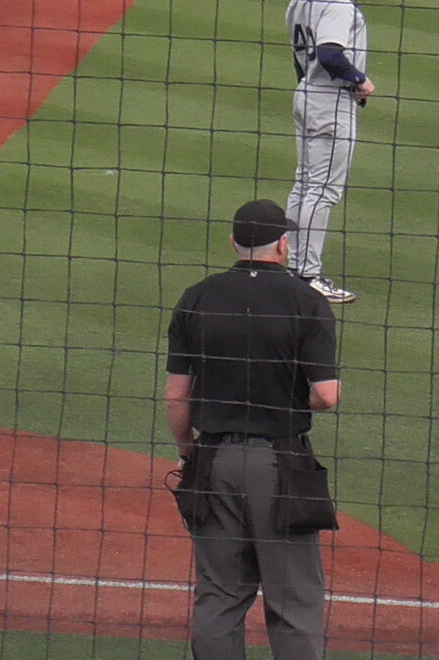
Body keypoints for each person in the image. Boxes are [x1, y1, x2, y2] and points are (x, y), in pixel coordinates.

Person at [165, 199, 342, 659]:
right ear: (283, 245)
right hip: (280, 468)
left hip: (215, 461)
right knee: (294, 602)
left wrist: (189, 455)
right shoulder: (308, 301)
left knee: (219, 596)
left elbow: (177, 395)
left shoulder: (197, 297)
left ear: (234, 243)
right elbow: (326, 395)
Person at [285, 0, 375, 303]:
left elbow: (301, 60)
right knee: (322, 191)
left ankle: (296, 268)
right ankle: (308, 276)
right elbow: (330, 53)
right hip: (331, 104)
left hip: (307, 94)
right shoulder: (337, 5)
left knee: (305, 185)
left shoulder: (298, 2)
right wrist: (359, 80)